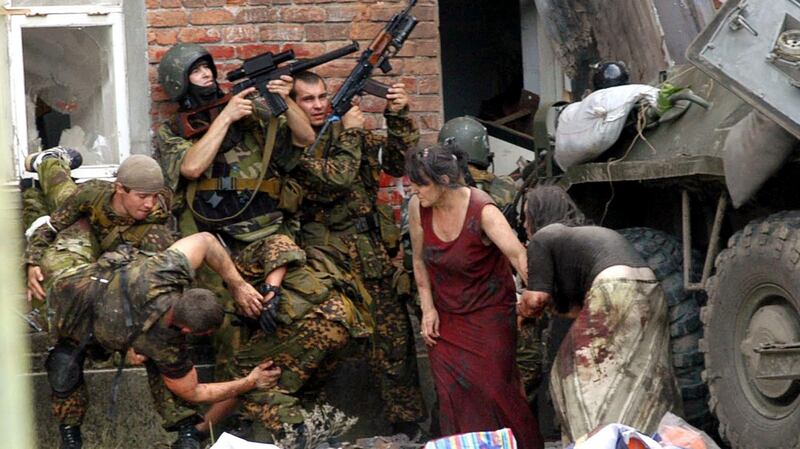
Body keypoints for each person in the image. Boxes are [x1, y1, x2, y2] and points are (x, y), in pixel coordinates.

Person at [154, 43, 371, 437]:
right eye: (196, 71)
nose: (206, 74)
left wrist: (282, 99)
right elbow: (192, 166)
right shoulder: (173, 132)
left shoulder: (253, 117)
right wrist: (225, 117)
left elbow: (306, 140)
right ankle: (219, 434)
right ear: (178, 83)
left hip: (273, 243)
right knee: (231, 347)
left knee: (322, 316)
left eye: (208, 67)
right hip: (221, 253)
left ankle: (276, 414)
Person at [46, 231, 280, 449]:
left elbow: (205, 240)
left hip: (106, 312)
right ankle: (70, 437)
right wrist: (250, 382)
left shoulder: (162, 273)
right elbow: (195, 392)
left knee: (162, 368)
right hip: (70, 301)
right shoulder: (162, 342)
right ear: (188, 329)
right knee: (64, 365)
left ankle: (186, 433)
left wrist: (237, 285)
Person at [288, 71, 427, 435]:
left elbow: (398, 164)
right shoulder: (289, 143)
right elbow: (336, 178)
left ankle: (406, 421)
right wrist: (351, 130)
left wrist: (397, 115)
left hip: (369, 254)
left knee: (394, 340)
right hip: (326, 261)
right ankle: (322, 428)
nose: (318, 105)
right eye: (307, 99)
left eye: (321, 97)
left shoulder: (346, 132)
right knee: (331, 346)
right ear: (292, 103)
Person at [518, 185, 681, 443]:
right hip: (649, 290)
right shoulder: (578, 236)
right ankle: (647, 440)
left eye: (525, 217)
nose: (523, 224)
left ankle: (592, 441)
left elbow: (536, 298)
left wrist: (519, 312)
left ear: (537, 215)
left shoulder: (544, 237)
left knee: (571, 372)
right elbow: (576, 310)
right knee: (642, 375)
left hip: (613, 289)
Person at [406, 143, 543, 449]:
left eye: (421, 184)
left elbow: (518, 256)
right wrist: (428, 309)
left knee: (493, 389)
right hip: (447, 317)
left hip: (489, 314)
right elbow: (418, 260)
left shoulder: (483, 209)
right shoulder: (419, 207)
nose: (415, 191)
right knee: (452, 394)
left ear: (443, 181)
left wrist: (537, 295)